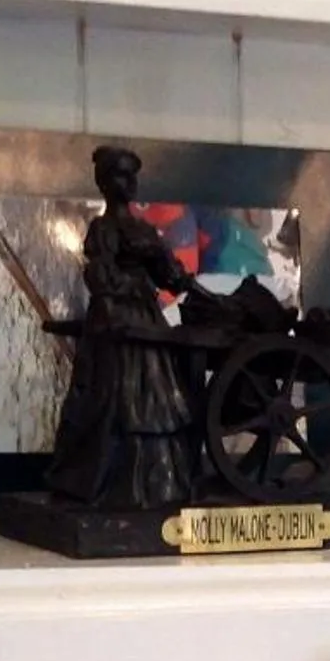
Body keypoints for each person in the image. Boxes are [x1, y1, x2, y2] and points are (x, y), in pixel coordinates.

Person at [46, 145, 205, 510]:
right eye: (120, 176)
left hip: (144, 318)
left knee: (154, 395)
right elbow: (100, 276)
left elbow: (170, 275)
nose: (129, 183)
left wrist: (194, 287)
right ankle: (111, 484)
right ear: (105, 183)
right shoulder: (102, 229)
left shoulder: (144, 229)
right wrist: (126, 286)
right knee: (111, 396)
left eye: (131, 176)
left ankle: (159, 484)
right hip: (115, 321)